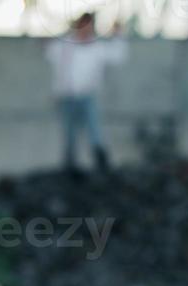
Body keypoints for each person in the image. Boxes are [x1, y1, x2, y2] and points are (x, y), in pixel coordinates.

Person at [45, 14, 127, 173]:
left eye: (89, 26)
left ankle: (100, 159)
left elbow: (117, 56)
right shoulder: (65, 45)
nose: (86, 30)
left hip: (87, 96)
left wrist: (119, 35)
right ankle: (70, 165)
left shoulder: (97, 47)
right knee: (69, 133)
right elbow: (50, 53)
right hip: (67, 97)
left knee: (94, 127)